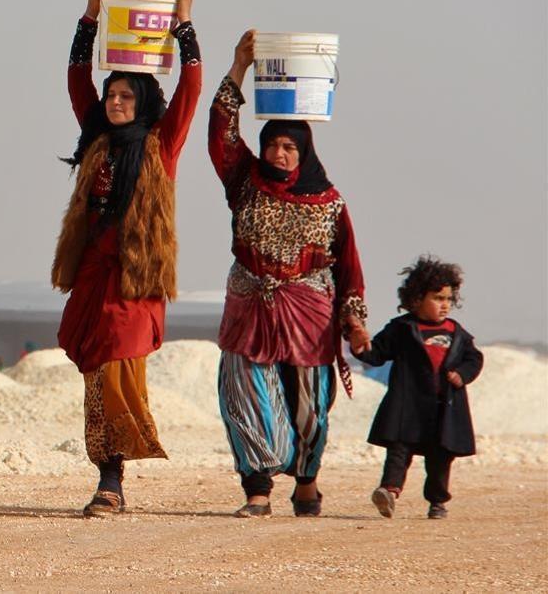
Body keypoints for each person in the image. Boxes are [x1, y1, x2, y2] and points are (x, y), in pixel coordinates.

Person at [52, 0, 201, 517]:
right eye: (110, 94)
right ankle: (107, 477)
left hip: (135, 283)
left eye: (124, 95)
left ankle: (112, 479)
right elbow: (75, 81)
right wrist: (88, 20)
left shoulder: (162, 145)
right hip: (93, 277)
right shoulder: (96, 141)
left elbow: (190, 88)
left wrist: (184, 24)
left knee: (118, 365)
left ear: (141, 102)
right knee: (95, 371)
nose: (114, 101)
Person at [207, 29, 370, 518]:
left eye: (288, 148)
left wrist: (355, 321)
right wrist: (238, 66)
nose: (278, 154)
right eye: (272, 145)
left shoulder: (330, 203)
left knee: (308, 406)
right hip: (249, 303)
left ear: (304, 154)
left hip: (309, 309)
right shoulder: (244, 180)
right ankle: (257, 489)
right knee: (246, 393)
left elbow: (350, 268)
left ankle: (305, 482)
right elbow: (221, 133)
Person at [354, 256, 483, 520]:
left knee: (439, 459)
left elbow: (474, 358)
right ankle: (388, 492)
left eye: (448, 298)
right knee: (399, 451)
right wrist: (360, 347)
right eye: (437, 298)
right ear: (416, 299)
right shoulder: (402, 329)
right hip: (408, 406)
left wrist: (462, 374)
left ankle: (437, 502)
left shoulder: (456, 332)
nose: (445, 304)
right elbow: (378, 353)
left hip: (443, 409)